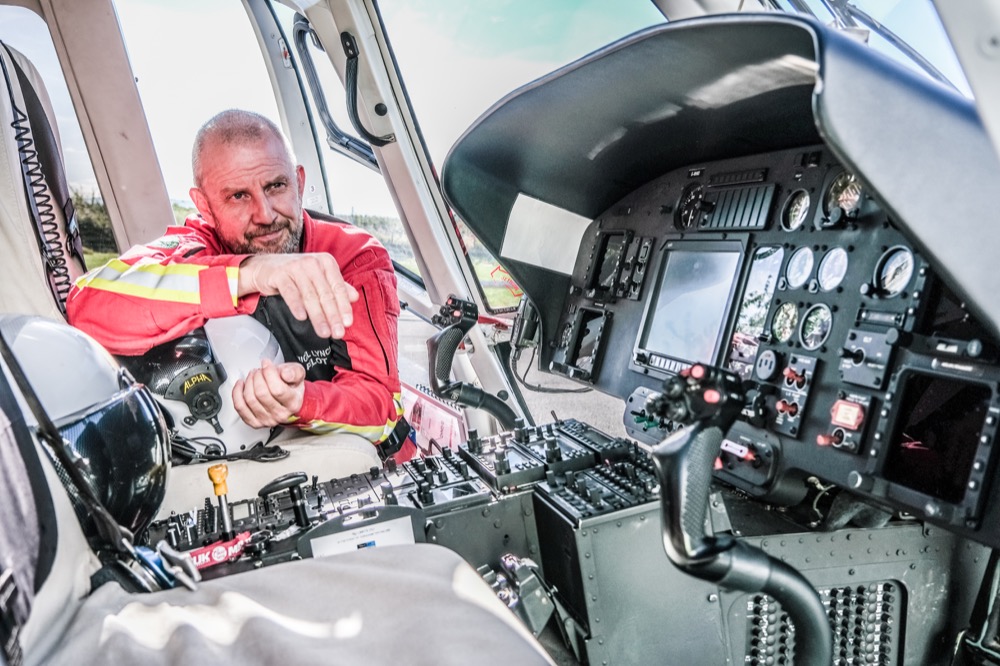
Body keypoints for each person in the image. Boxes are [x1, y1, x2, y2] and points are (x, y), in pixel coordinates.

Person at [67, 109, 411, 459]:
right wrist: (249, 273)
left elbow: (380, 407)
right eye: (238, 196)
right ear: (204, 206)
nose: (265, 214)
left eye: (276, 186)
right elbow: (87, 301)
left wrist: (299, 402)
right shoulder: (196, 248)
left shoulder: (354, 257)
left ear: (300, 182)